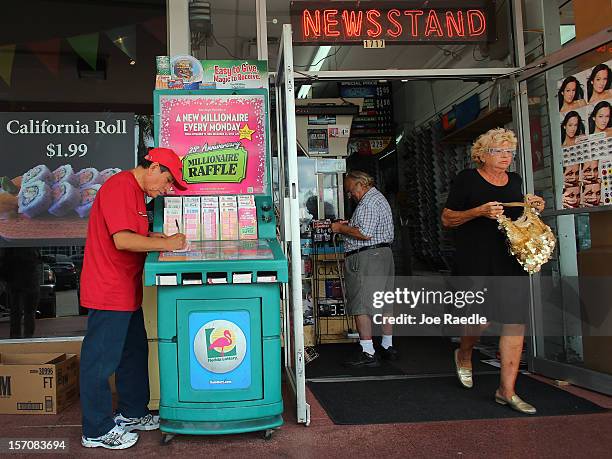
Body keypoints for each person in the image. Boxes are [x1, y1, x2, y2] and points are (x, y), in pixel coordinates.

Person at [79, 147, 188, 450]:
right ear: (153, 167)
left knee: (133, 354)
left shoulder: (138, 195)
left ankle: (132, 413)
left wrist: (162, 240)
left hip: (126, 291)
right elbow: (123, 239)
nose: (167, 189)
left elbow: (136, 232)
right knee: (99, 363)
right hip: (108, 291)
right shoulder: (120, 187)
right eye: (168, 181)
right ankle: (96, 429)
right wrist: (166, 243)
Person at [441, 128, 545, 415]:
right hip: (475, 260)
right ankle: (464, 353)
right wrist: (478, 212)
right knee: (481, 320)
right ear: (482, 155)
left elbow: (518, 219)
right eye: (498, 151)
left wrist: (532, 207)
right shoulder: (467, 179)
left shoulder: (515, 181)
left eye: (509, 152)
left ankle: (506, 391)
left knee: (514, 323)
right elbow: (448, 219)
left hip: (509, 260)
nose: (505, 157)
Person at [330, 170, 396, 367]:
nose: (351, 195)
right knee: (385, 302)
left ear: (361, 184)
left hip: (367, 257)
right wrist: (350, 224)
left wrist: (340, 229)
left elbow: (365, 233)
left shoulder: (367, 202)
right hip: (383, 255)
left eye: (351, 191)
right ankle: (387, 345)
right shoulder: (379, 198)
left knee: (361, 303)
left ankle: (367, 351)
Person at [0, 248, 40, 338]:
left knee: (16, 312)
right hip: (28, 282)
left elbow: (4, 262)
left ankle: (16, 336)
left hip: (16, 282)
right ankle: (27, 336)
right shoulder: (31, 247)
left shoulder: (11, 248)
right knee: (28, 312)